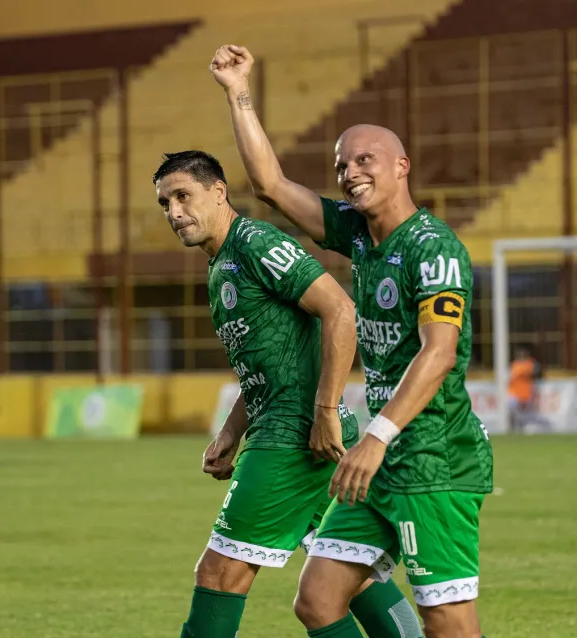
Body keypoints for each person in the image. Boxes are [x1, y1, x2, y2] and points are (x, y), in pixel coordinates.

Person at [210, 45, 494, 638]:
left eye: (366, 159)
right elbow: (269, 184)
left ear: (402, 166)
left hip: (432, 458)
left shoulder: (434, 248)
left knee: (447, 624)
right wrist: (237, 90)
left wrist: (375, 437)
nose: (350, 172)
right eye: (342, 165)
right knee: (317, 600)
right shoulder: (359, 235)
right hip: (383, 458)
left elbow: (439, 352)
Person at [153, 151, 423, 638]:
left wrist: (324, 411)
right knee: (349, 576)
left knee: (219, 575)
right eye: (165, 204)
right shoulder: (221, 265)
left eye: (183, 196)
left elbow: (340, 310)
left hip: (291, 438)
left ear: (218, 192)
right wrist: (231, 432)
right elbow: (269, 366)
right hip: (302, 433)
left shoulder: (255, 242)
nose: (174, 212)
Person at [508, 344, 542, 432]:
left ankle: (524, 428)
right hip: (515, 393)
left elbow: (537, 371)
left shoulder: (530, 364)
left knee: (528, 414)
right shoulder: (515, 364)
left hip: (526, 393)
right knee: (511, 409)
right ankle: (513, 428)